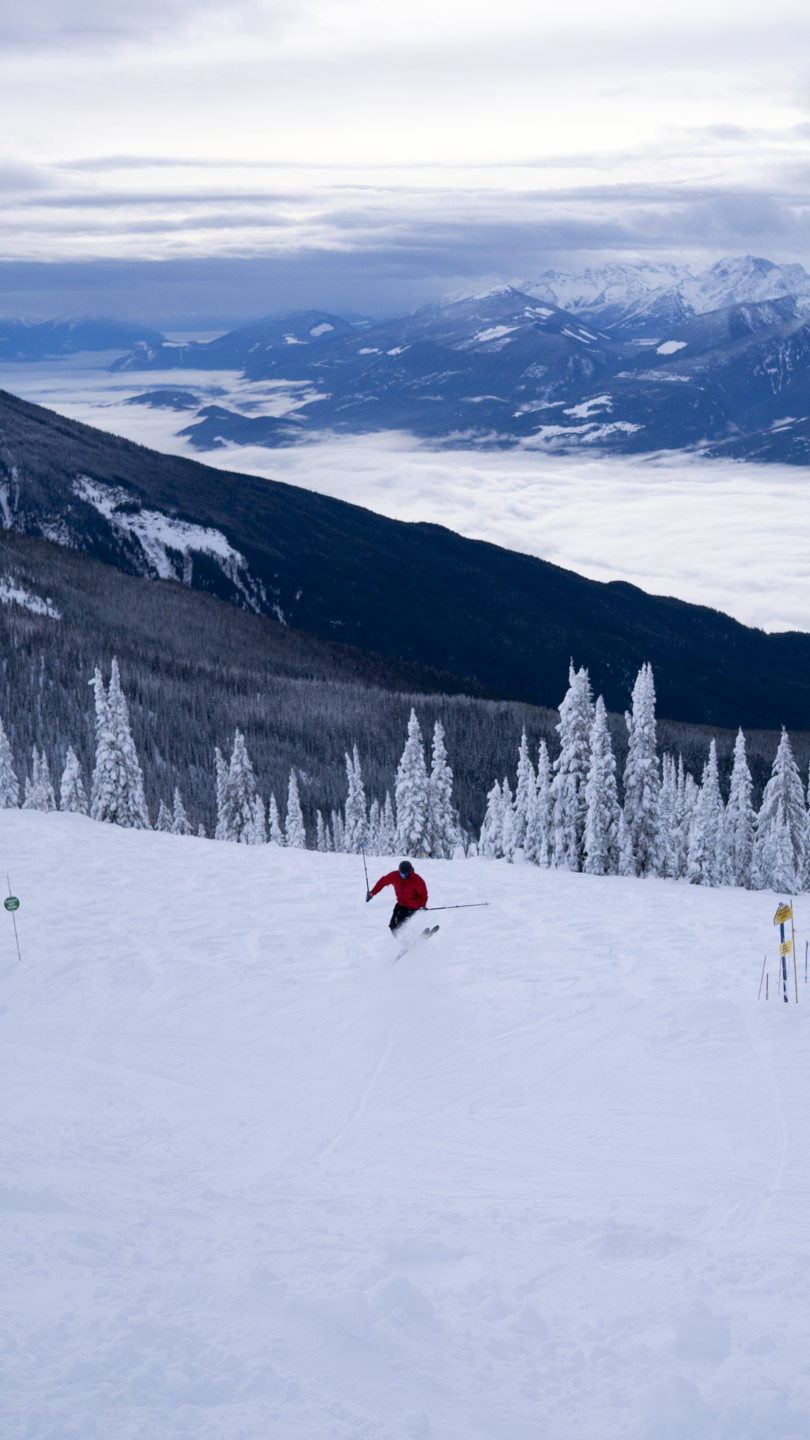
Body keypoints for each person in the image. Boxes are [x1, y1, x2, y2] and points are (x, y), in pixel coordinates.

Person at [367, 860, 428, 934]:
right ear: (399, 871)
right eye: (403, 875)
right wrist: (371, 893)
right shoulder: (393, 876)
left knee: (399, 924)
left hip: (411, 906)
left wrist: (422, 906)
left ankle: (410, 939)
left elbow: (423, 894)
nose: (405, 877)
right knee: (393, 926)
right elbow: (382, 882)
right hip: (400, 904)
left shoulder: (417, 880)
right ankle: (405, 942)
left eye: (407, 875)